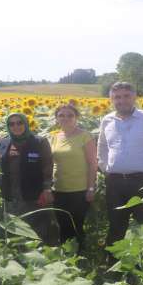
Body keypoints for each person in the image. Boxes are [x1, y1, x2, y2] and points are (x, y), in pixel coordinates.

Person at [97, 82, 143, 251]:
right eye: (117, 97)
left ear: (134, 97)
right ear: (111, 99)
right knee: (116, 224)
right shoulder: (107, 120)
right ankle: (114, 266)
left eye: (126, 96)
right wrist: (105, 168)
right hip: (115, 183)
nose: (121, 100)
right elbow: (101, 147)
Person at [0, 113, 58, 245]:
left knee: (35, 229)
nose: (16, 126)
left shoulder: (39, 142)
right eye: (11, 124)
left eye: (19, 123)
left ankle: (38, 255)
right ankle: (17, 255)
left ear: (26, 124)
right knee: (14, 228)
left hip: (33, 194)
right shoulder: (3, 142)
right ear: (8, 126)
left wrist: (47, 188)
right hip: (10, 195)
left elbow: (47, 166)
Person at [49, 104, 97, 252]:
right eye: (61, 115)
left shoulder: (85, 136)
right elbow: (50, 163)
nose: (66, 118)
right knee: (62, 225)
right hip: (58, 188)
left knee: (77, 225)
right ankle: (66, 257)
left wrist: (90, 188)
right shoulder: (54, 137)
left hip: (79, 189)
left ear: (76, 118)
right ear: (56, 118)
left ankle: (81, 257)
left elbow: (92, 164)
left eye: (70, 115)